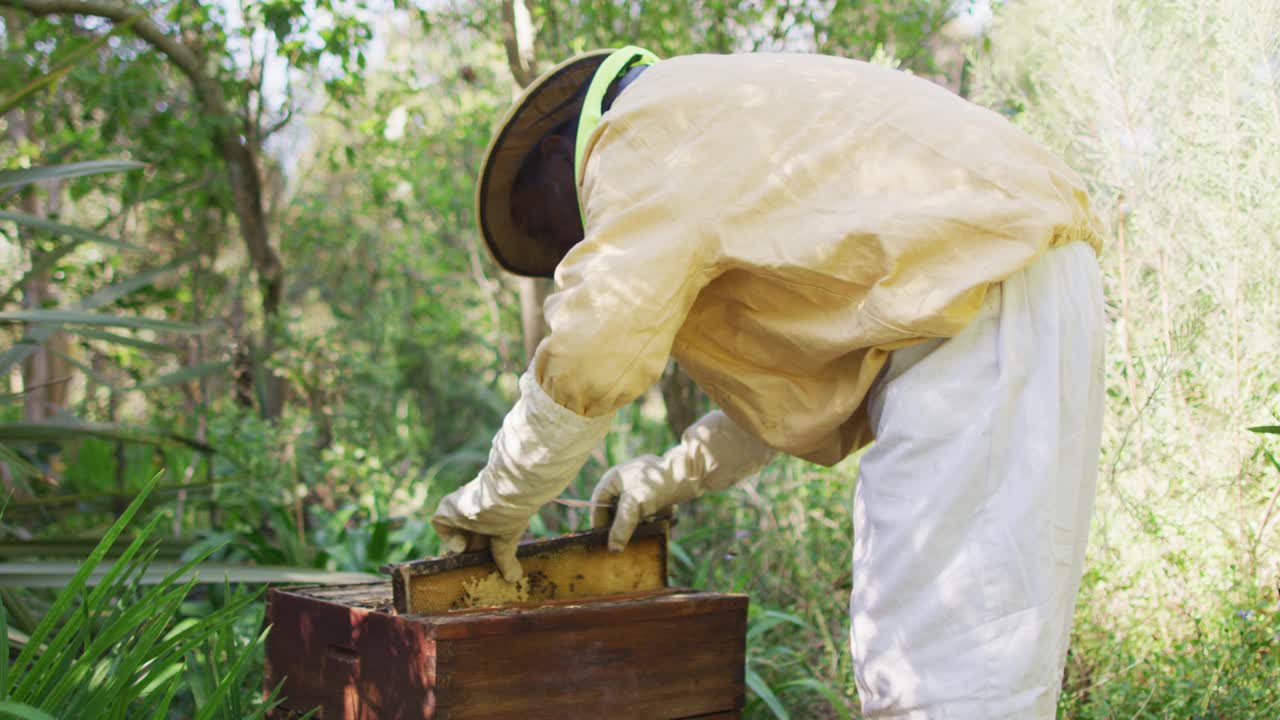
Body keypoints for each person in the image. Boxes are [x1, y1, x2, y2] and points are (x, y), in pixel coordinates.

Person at [431, 46, 1105, 719]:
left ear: (558, 153)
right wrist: (674, 473)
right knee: (968, 658)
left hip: (983, 297)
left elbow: (590, 346)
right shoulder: (714, 121)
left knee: (940, 674)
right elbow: (798, 386)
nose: (565, 247)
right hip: (1002, 284)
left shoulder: (640, 131)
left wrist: (500, 495)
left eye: (549, 225)